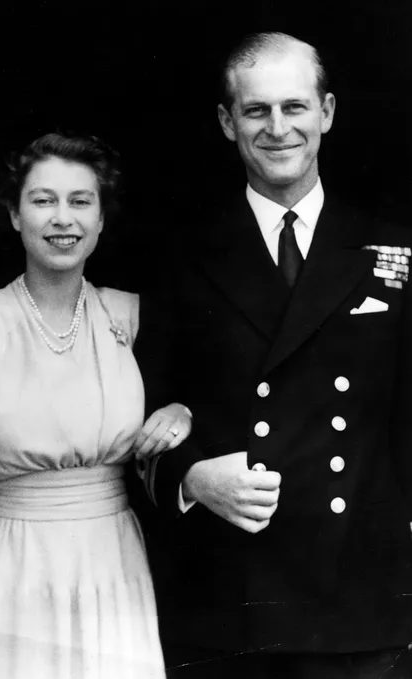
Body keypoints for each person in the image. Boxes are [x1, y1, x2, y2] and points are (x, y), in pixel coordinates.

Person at [136, 32, 412, 678]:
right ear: (228, 122)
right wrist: (191, 478)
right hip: (229, 596)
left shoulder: (393, 251)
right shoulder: (182, 256)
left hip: (358, 599)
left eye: (295, 107)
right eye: (257, 111)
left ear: (328, 113)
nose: (278, 127)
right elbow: (139, 409)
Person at [0, 132, 192, 679]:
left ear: (102, 218)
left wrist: (181, 410)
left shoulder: (129, 318)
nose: (64, 219)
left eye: (81, 201)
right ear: (15, 215)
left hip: (115, 565)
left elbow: (186, 403)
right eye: (43, 200)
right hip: (8, 567)